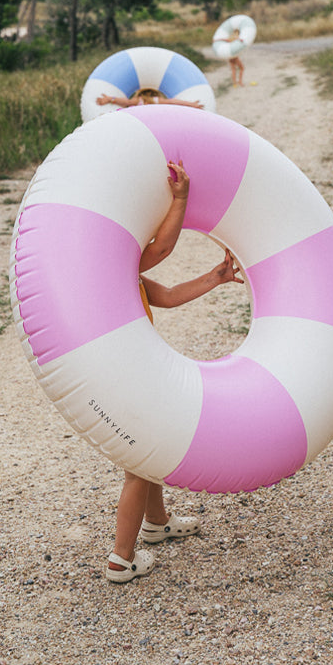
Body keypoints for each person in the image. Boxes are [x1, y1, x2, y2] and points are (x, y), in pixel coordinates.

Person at [106, 160, 244, 583]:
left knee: (151, 448)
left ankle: (157, 521)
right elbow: (162, 249)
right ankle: (121, 559)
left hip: (133, 373)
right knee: (138, 464)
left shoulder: (119, 273)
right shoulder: (109, 266)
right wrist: (180, 198)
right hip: (127, 376)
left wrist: (215, 277)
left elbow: (163, 295)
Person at [96, 87, 203, 109]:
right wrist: (191, 104)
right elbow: (173, 102)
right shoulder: (156, 101)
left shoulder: (139, 100)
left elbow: (127, 102)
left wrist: (111, 99)